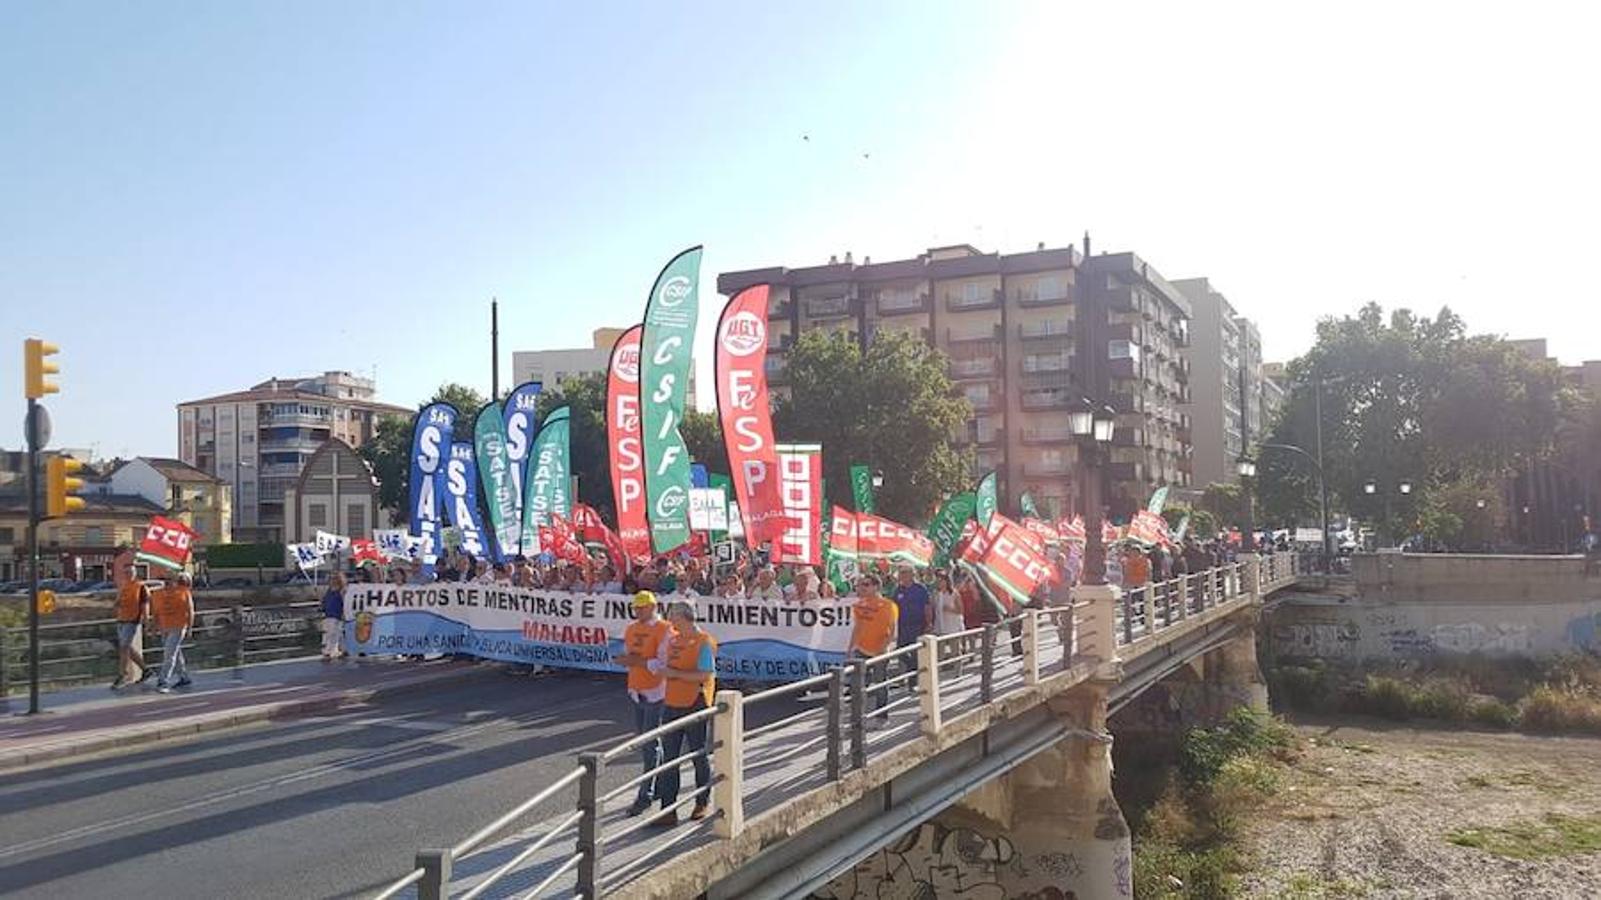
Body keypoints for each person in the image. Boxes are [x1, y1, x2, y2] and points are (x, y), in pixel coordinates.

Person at [654, 600, 717, 825]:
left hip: (695, 702)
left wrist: (675, 674)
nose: (670, 621)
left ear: (683, 617)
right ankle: (668, 810)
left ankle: (702, 801)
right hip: (671, 702)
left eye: (672, 617)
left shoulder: (704, 642)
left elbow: (704, 674)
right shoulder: (674, 641)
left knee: (697, 755)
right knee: (670, 759)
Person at [612, 591, 673, 817]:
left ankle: (645, 794)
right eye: (636, 608)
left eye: (642, 608)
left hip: (657, 692)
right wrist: (628, 661)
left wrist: (637, 661)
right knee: (647, 742)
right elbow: (631, 657)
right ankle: (658, 785)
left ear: (652, 607)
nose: (638, 612)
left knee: (650, 745)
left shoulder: (664, 629)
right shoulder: (631, 629)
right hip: (637, 690)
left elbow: (663, 662)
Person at [847, 574, 898, 725]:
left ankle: (882, 717)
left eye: (866, 584)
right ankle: (857, 720)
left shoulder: (889, 605)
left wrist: (882, 649)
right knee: (858, 686)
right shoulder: (859, 605)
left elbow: (893, 631)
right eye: (861, 584)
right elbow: (858, 627)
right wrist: (851, 647)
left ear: (876, 586)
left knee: (880, 684)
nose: (862, 587)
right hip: (862, 650)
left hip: (880, 652)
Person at [112, 564, 154, 688]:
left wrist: (146, 622)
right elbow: (117, 603)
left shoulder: (141, 587)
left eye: (130, 572)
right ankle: (146, 670)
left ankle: (122, 675)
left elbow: (145, 605)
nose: (128, 574)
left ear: (135, 573)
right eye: (126, 572)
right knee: (127, 647)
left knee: (124, 647)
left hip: (132, 620)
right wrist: (117, 604)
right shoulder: (124, 586)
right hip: (121, 619)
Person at [152, 572, 195, 692]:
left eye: (169, 580)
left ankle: (163, 681)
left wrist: (190, 628)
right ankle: (184, 677)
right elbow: (156, 613)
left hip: (178, 627)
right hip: (164, 628)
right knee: (175, 652)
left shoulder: (183, 593)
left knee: (169, 655)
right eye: (165, 580)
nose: (167, 582)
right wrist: (154, 628)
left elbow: (190, 610)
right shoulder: (158, 594)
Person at [321, 572, 346, 660]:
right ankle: (341, 649)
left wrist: (343, 612)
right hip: (328, 614)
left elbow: (344, 602)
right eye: (331, 578)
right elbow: (325, 601)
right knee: (331, 633)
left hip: (336, 614)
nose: (332, 580)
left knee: (333, 633)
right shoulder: (328, 590)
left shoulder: (341, 590)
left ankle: (330, 651)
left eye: (334, 578)